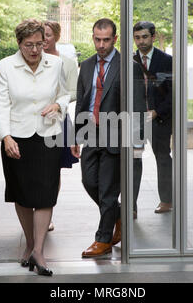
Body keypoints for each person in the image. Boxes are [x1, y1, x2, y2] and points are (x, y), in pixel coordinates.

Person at [0, 19, 70, 276]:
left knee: (46, 193)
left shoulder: (56, 63)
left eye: (40, 44)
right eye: (29, 45)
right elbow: (1, 104)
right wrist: (6, 137)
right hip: (17, 138)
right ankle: (29, 243)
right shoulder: (6, 66)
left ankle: (39, 250)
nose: (36, 50)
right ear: (19, 43)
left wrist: (58, 106)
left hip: (48, 135)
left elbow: (65, 92)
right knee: (23, 195)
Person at [71, 18, 146, 258]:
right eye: (97, 39)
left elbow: (137, 104)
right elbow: (83, 101)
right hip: (91, 134)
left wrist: (136, 140)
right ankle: (119, 213)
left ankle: (102, 239)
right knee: (89, 181)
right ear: (92, 37)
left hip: (116, 135)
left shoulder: (128, 65)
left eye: (106, 40)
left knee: (108, 191)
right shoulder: (86, 64)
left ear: (114, 39)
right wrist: (76, 135)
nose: (101, 45)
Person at [132, 21, 173, 216]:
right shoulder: (129, 61)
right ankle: (131, 205)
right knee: (133, 160)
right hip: (135, 120)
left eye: (145, 37)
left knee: (163, 158)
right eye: (137, 37)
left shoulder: (167, 60)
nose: (141, 41)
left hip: (159, 119)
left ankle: (166, 200)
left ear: (153, 37)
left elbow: (174, 94)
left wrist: (157, 111)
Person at [42, 20, 79, 232]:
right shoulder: (35, 59)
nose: (44, 39)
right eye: (41, 35)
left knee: (53, 170)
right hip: (36, 120)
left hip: (59, 119)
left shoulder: (67, 62)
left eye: (47, 35)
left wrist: (58, 101)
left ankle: (48, 214)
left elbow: (74, 91)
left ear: (56, 36)